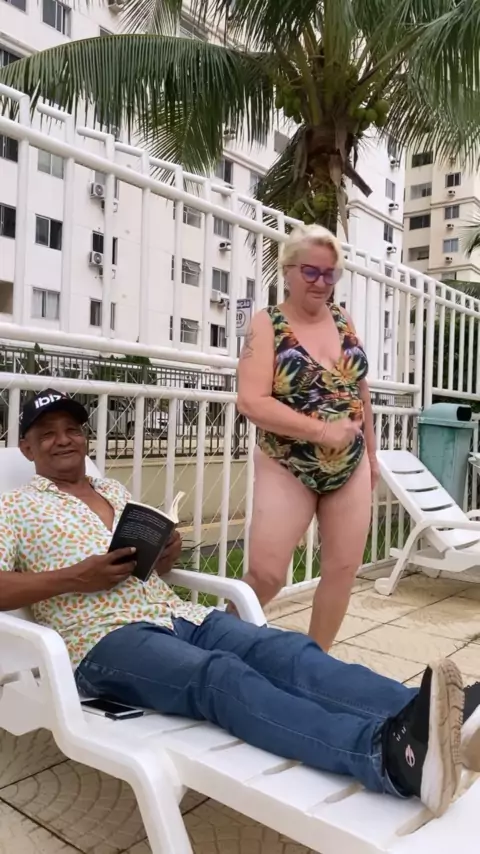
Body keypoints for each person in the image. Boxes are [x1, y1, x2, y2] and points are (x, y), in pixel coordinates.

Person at [0, 389, 479, 820]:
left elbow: (145, 565)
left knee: (288, 652)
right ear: (26, 448)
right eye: (48, 434)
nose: (64, 440)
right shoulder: (15, 507)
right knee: (218, 677)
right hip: (103, 639)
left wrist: (166, 550)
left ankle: (438, 716)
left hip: (177, 615)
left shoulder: (112, 490)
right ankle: (387, 757)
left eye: (72, 429)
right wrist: (75, 578)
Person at [237, 224, 378, 651]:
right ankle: (216, 643)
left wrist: (371, 457)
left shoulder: (343, 318)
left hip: (350, 464)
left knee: (342, 569)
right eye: (310, 272)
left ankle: (315, 664)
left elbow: (361, 391)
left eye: (329, 274)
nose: (320, 282)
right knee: (266, 575)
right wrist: (322, 430)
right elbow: (251, 401)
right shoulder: (266, 325)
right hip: (287, 463)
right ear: (288, 271)